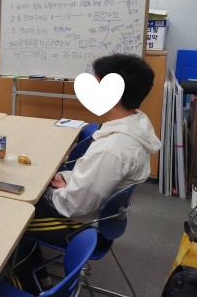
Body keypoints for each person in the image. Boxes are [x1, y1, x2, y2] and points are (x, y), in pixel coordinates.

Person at [12, 54, 161, 292]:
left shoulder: (113, 149)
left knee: (11, 218)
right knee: (26, 190)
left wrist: (44, 191)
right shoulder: (135, 123)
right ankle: (41, 277)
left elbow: (74, 206)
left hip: (82, 225)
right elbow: (91, 177)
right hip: (98, 215)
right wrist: (66, 179)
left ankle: (27, 287)